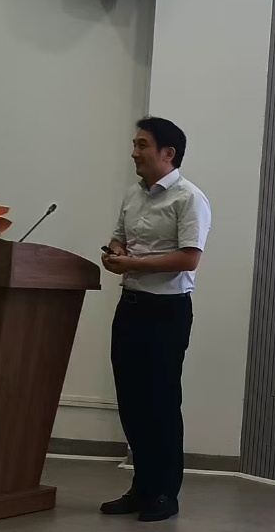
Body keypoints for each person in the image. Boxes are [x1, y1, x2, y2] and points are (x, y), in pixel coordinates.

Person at [98, 117, 211, 523]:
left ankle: (165, 492)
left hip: (167, 312)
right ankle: (142, 487)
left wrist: (133, 264)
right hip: (130, 307)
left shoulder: (189, 198)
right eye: (135, 144)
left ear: (168, 153)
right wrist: (116, 252)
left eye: (142, 145)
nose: (134, 152)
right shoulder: (134, 194)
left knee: (161, 402)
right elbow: (119, 236)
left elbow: (189, 258)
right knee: (131, 401)